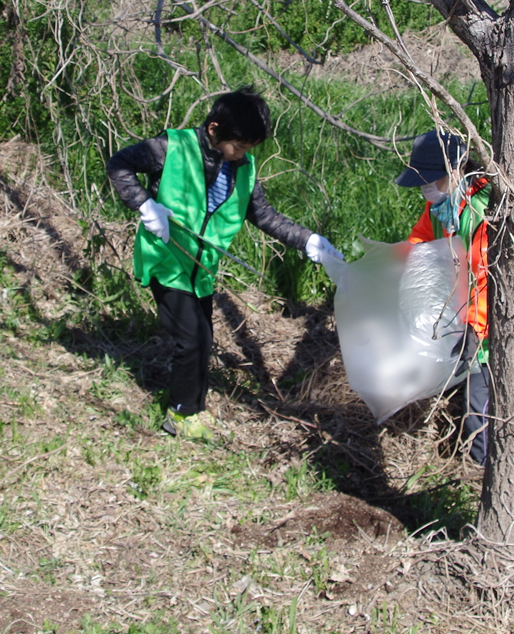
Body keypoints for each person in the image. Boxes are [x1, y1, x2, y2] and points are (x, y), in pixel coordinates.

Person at [108, 87, 344, 441]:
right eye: (240, 146)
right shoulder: (172, 147)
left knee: (203, 338)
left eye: (249, 149)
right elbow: (119, 165)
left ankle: (194, 409)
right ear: (215, 128)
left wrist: (308, 240)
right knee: (191, 339)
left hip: (201, 270)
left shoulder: (242, 168)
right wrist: (145, 205)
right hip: (168, 260)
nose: (243, 155)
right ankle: (181, 415)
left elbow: (263, 214)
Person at [395, 130, 494, 466]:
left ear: (455, 172)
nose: (425, 190)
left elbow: (483, 277)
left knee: (476, 407)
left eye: (430, 181)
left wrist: (475, 330)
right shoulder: (441, 206)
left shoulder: (480, 212)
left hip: (482, 329)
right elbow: (421, 239)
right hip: (456, 314)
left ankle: (480, 473)